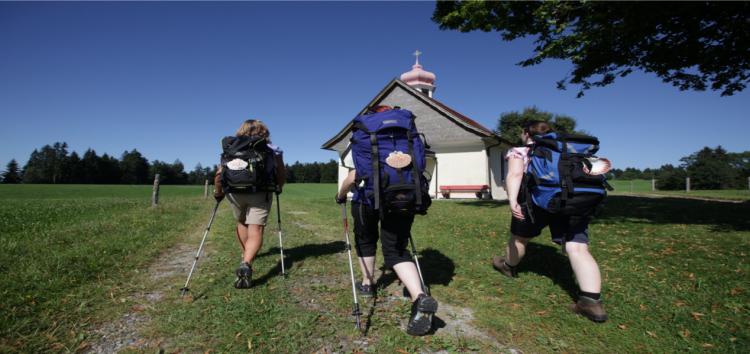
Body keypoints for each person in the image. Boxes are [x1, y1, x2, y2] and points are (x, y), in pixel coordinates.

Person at [335, 105, 438, 336]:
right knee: (396, 250)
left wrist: (340, 195)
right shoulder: (406, 136)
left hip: (366, 200)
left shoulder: (365, 138)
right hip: (404, 197)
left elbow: (354, 176)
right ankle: (419, 296)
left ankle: (367, 283)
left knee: (365, 240)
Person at [492, 120, 608, 323]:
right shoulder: (570, 151)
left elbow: (515, 174)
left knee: (520, 239)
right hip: (575, 200)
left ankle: (508, 265)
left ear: (526, 133)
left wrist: (512, 201)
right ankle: (591, 303)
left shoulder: (520, 150)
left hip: (536, 202)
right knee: (578, 249)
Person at [214, 119, 285, 289]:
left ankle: (244, 256)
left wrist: (218, 192)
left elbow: (219, 173)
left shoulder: (231, 147)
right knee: (256, 229)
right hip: (260, 192)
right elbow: (280, 170)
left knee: (242, 222)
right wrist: (279, 186)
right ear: (264, 132)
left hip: (234, 193)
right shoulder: (272, 148)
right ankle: (247, 262)